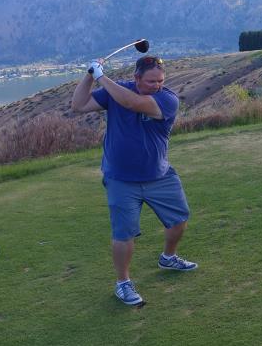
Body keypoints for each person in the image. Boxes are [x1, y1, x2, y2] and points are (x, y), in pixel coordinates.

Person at [71, 55, 196, 306]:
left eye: (160, 80)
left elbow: (132, 102)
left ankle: (168, 257)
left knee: (179, 220)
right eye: (151, 81)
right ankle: (123, 283)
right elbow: (79, 105)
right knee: (124, 233)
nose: (157, 85)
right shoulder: (116, 91)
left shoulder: (167, 99)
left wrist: (101, 77)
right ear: (136, 77)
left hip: (159, 175)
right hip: (121, 178)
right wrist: (89, 75)